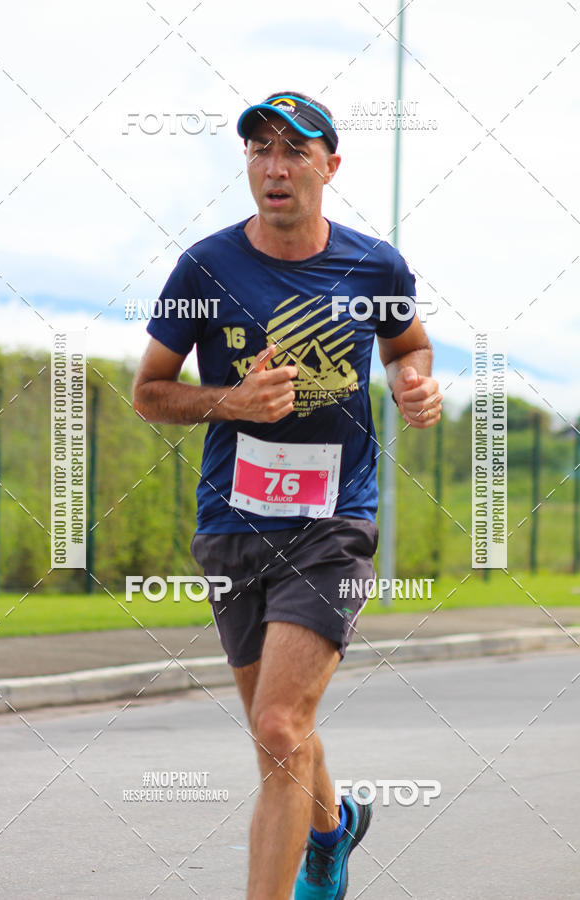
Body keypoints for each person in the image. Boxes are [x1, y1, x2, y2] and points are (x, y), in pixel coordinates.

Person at [132, 91, 442, 900]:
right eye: (260, 149)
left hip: (333, 522)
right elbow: (150, 393)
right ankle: (333, 831)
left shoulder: (374, 265)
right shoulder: (205, 267)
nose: (274, 166)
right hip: (232, 521)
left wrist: (414, 384)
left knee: (277, 727)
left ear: (329, 167)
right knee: (283, 730)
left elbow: (409, 346)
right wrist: (228, 402)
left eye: (294, 151)